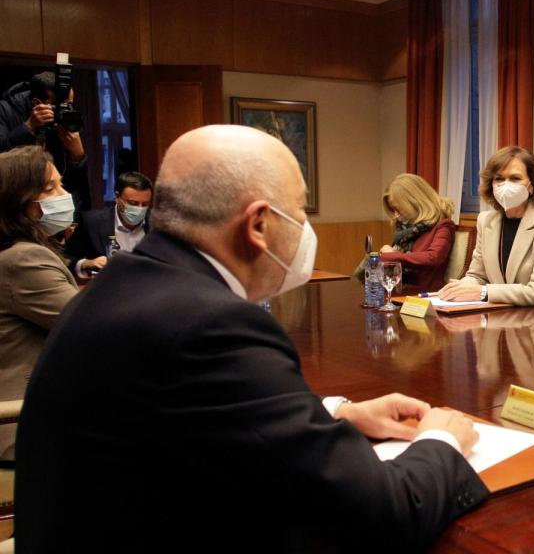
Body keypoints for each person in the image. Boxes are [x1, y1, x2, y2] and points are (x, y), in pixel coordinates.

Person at [16, 125, 487, 552]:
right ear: (258, 225)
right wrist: (440, 442)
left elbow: (199, 407)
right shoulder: (211, 325)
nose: (306, 230)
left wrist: (338, 412)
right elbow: (384, 517)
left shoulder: (123, 285)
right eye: (300, 211)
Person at [0, 146, 78, 458]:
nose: (64, 194)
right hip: (23, 430)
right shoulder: (24, 259)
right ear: (18, 202)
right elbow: (88, 324)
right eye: (50, 189)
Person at [439, 146, 534, 309]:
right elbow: (476, 275)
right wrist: (460, 288)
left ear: (532, 184)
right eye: (499, 179)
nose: (506, 185)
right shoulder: (485, 221)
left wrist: (483, 292)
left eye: (515, 178)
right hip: (499, 315)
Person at [0, 72, 90, 218]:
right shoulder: (6, 110)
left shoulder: (66, 120)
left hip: (53, 211)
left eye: (69, 105)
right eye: (60, 106)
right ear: (37, 103)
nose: (66, 110)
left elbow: (73, 186)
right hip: (14, 209)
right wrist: (28, 128)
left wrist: (77, 157)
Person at [378, 173, 456, 295]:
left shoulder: (443, 225)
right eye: (393, 211)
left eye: (399, 209)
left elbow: (433, 258)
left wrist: (392, 255)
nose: (396, 215)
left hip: (425, 295)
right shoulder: (406, 229)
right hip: (400, 292)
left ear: (416, 202)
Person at [65, 171, 153, 278]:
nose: (139, 209)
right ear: (117, 197)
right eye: (133, 203)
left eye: (145, 204)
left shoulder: (158, 225)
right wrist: (86, 263)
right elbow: (66, 259)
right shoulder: (92, 222)